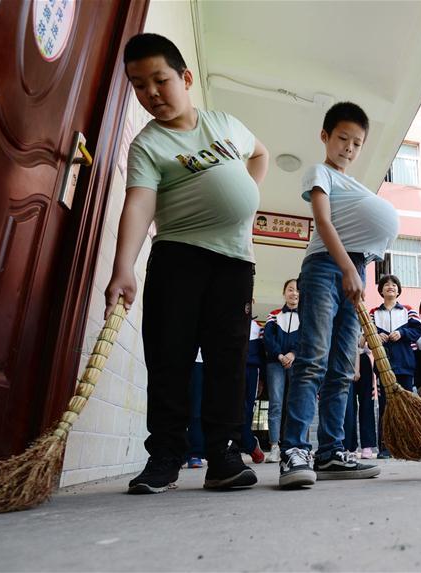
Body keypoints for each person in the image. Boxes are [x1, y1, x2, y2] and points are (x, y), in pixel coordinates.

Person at [105, 33, 269, 494]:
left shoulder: (225, 124)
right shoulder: (149, 145)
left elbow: (261, 152)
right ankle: (165, 458)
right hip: (179, 255)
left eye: (160, 80)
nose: (152, 93)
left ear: (186, 77)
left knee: (227, 362)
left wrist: (248, 198)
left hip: (235, 262)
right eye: (139, 86)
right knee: (170, 358)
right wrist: (124, 267)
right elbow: (138, 205)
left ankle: (223, 457)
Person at [278, 102, 397, 488]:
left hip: (354, 271)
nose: (349, 147)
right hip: (328, 267)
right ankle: (294, 450)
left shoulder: (356, 183)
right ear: (325, 136)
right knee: (312, 358)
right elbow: (323, 220)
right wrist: (347, 267)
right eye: (342, 138)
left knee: (344, 368)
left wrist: (357, 271)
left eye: (357, 142)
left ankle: (331, 452)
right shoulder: (320, 172)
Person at [371, 274, 421, 457]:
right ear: (381, 291)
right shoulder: (373, 313)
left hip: (405, 364)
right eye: (386, 285)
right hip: (383, 366)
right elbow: (367, 332)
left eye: (394, 285)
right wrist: (376, 336)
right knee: (385, 407)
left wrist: (401, 333)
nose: (390, 287)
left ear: (399, 290)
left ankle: (407, 447)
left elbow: (418, 329)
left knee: (406, 405)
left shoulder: (408, 310)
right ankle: (385, 448)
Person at [262, 279, 299, 463]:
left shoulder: (307, 316)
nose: (294, 293)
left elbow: (307, 339)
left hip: (296, 363)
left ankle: (293, 446)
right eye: (290, 289)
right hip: (275, 363)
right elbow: (267, 338)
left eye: (297, 290)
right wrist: (280, 355)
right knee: (276, 404)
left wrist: (293, 354)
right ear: (284, 293)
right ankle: (274, 446)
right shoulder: (274, 315)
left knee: (295, 404)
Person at [344, 336, 379, 459]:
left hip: (364, 362)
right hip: (346, 360)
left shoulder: (365, 320)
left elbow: (361, 344)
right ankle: (349, 446)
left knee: (367, 405)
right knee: (349, 407)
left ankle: (367, 445)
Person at [242, 315, 266, 464]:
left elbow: (262, 355)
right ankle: (247, 444)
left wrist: (262, 379)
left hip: (252, 371)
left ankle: (249, 444)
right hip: (231, 372)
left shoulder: (258, 327)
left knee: (247, 409)